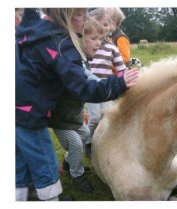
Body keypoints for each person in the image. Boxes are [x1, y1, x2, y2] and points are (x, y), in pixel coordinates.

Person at [16, 8, 139, 201]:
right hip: (33, 115)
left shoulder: (34, 32)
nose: (85, 19)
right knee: (45, 162)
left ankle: (22, 195)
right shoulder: (60, 44)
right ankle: (54, 196)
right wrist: (118, 83)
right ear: (68, 15)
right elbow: (84, 85)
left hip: (20, 109)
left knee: (20, 161)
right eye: (81, 14)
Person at [48, 16, 106, 193]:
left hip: (73, 116)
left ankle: (68, 163)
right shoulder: (73, 60)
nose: (98, 44)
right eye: (94, 39)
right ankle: (77, 176)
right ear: (78, 38)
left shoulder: (81, 57)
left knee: (85, 134)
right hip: (60, 118)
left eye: (101, 39)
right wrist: (110, 86)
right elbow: (88, 77)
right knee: (76, 144)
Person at [84, 8, 128, 159]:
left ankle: (104, 144)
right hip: (91, 88)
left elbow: (121, 68)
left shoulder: (112, 48)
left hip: (108, 87)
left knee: (107, 117)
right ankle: (88, 142)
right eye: (101, 24)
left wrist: (126, 79)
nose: (104, 28)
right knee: (94, 118)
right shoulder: (86, 46)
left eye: (107, 24)